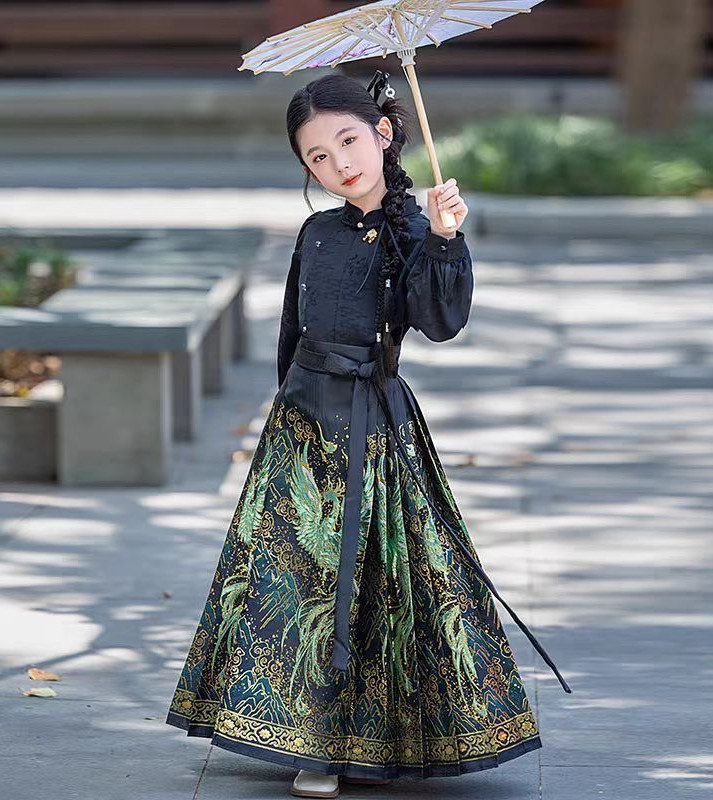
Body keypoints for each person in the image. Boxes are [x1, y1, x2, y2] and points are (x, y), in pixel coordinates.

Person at [165, 70, 571, 798]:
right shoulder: (316, 231)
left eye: (348, 141)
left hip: (371, 424)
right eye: (317, 157)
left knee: (369, 580)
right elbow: (294, 330)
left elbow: (441, 321)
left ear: (383, 133)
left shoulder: (417, 228)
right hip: (301, 424)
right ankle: (305, 738)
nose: (338, 164)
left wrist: (447, 240)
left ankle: (370, 737)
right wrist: (279, 421)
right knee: (296, 585)